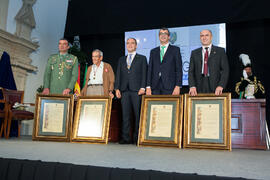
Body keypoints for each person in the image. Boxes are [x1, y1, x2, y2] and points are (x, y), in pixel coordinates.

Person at [115, 38, 147, 144]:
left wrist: (143, 87)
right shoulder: (121, 59)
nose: (130, 45)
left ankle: (137, 137)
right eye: (128, 43)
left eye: (132, 43)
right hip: (124, 90)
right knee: (125, 115)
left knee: (138, 115)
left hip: (137, 91)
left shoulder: (142, 58)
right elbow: (118, 75)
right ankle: (126, 138)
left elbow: (144, 74)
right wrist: (117, 88)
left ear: (136, 45)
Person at [188, 29, 229, 96]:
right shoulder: (194, 53)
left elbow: (225, 70)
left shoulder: (220, 51)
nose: (204, 38)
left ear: (211, 37)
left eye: (207, 35)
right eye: (202, 36)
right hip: (198, 87)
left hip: (216, 87)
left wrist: (221, 85)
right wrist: (192, 86)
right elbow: (191, 71)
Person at [146, 28, 182, 95]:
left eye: (165, 33)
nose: (163, 35)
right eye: (161, 34)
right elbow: (150, 70)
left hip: (170, 86)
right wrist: (148, 86)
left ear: (169, 37)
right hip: (155, 86)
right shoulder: (153, 51)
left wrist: (178, 86)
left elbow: (178, 69)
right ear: (159, 37)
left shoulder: (175, 50)